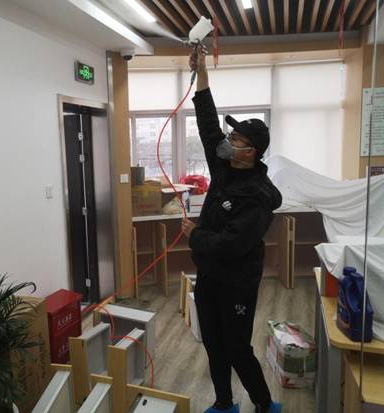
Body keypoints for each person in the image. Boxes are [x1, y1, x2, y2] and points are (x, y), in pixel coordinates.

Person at [181, 48, 283, 413]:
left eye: (236, 139)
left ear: (251, 152)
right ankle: (224, 403)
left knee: (237, 348)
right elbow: (208, 124)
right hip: (209, 276)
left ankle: (265, 404)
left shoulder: (258, 197)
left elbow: (231, 245)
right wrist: (203, 74)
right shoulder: (224, 167)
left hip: (237, 281)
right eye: (232, 135)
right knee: (213, 344)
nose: (228, 141)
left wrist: (194, 235)